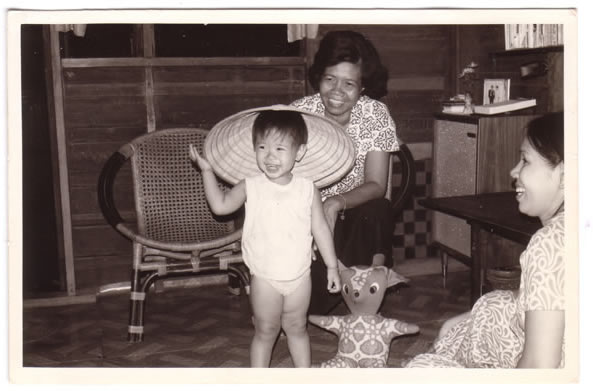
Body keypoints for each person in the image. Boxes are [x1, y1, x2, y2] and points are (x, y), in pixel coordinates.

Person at [405, 112, 565, 368]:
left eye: (525, 160)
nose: (514, 171)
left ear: (566, 175)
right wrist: (473, 315)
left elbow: (540, 368)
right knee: (493, 304)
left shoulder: (549, 244)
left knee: (420, 370)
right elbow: (553, 295)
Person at [189, 109, 341, 368]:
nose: (270, 156)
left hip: (300, 275)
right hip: (265, 277)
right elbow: (221, 206)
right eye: (262, 147)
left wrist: (332, 266)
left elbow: (321, 228)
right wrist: (206, 171)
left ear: (299, 152)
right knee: (266, 330)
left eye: (280, 148)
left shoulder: (307, 188)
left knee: (297, 327)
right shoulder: (251, 185)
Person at [290, 30, 403, 314]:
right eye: (330, 79)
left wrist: (335, 202)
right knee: (312, 307)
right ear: (319, 78)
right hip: (306, 218)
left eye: (349, 83)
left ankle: (364, 285)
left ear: (362, 86)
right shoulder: (299, 114)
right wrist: (317, 209)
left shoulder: (375, 115)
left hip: (354, 214)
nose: (337, 92)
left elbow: (377, 184)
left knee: (378, 209)